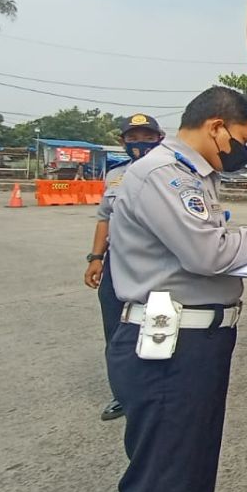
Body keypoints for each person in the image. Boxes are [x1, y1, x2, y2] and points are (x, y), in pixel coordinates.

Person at [105, 87, 247, 492]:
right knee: (165, 485)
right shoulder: (164, 175)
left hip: (195, 341)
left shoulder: (195, 177)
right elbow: (207, 253)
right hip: (170, 345)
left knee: (189, 472)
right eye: (242, 140)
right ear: (216, 127)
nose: (244, 152)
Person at [83, 113, 165, 421]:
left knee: (157, 327)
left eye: (147, 136)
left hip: (156, 266)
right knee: (116, 332)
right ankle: (122, 394)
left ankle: (156, 392)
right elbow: (105, 217)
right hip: (117, 265)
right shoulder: (115, 176)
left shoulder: (172, 173)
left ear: (160, 138)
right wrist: (95, 258)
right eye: (133, 137)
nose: (140, 143)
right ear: (123, 141)